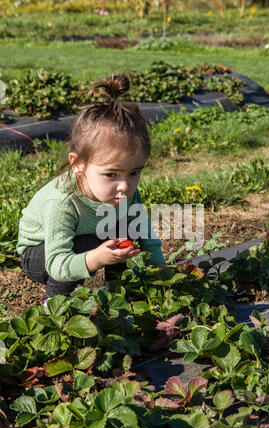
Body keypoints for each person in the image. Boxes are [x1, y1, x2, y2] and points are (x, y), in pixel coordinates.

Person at [16, 73, 166, 304]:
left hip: (90, 240)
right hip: (42, 254)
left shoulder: (127, 193)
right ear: (78, 165)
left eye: (134, 172)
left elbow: (146, 238)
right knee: (85, 244)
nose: (125, 185)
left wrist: (163, 275)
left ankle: (119, 296)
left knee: (127, 232)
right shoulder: (63, 201)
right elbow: (56, 263)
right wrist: (96, 258)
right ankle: (56, 306)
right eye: (111, 174)